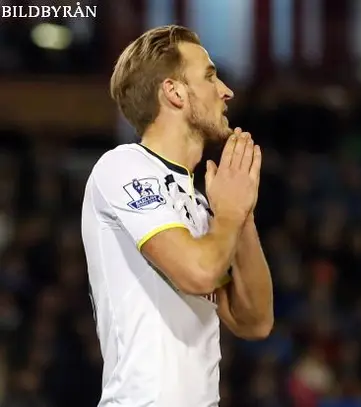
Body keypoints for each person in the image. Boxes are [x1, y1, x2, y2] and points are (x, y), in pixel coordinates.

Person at [80, 25, 273, 407]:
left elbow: (255, 321)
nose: (226, 91)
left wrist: (243, 216)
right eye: (210, 76)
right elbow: (197, 272)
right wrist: (230, 214)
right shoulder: (123, 166)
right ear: (174, 92)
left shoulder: (205, 205)